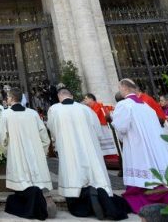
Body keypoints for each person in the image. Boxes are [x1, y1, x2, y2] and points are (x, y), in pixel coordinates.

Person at [47, 88, 129, 220]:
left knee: (75, 177)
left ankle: (82, 205)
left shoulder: (54, 109)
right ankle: (103, 201)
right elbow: (98, 131)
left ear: (58, 97)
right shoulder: (86, 109)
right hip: (89, 149)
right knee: (94, 178)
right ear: (72, 96)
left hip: (69, 150)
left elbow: (53, 130)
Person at [113, 79, 168, 213]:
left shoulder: (124, 105)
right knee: (154, 173)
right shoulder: (147, 106)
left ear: (124, 89)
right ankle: (166, 199)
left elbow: (121, 127)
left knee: (141, 175)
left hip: (137, 146)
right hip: (154, 146)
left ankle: (139, 202)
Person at [0, 87, 52, 220]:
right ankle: (42, 203)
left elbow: (1, 137)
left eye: (8, 97)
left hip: (17, 154)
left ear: (10, 99)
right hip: (35, 153)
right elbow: (44, 137)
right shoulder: (33, 113)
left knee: (22, 184)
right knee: (35, 182)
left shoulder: (6, 114)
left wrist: (7, 152)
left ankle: (31, 206)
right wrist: (42, 152)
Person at [83, 93, 121, 161]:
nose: (84, 100)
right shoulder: (89, 108)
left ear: (91, 99)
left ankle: (112, 158)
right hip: (98, 128)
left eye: (86, 98)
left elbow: (94, 117)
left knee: (107, 145)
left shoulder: (98, 105)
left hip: (103, 128)